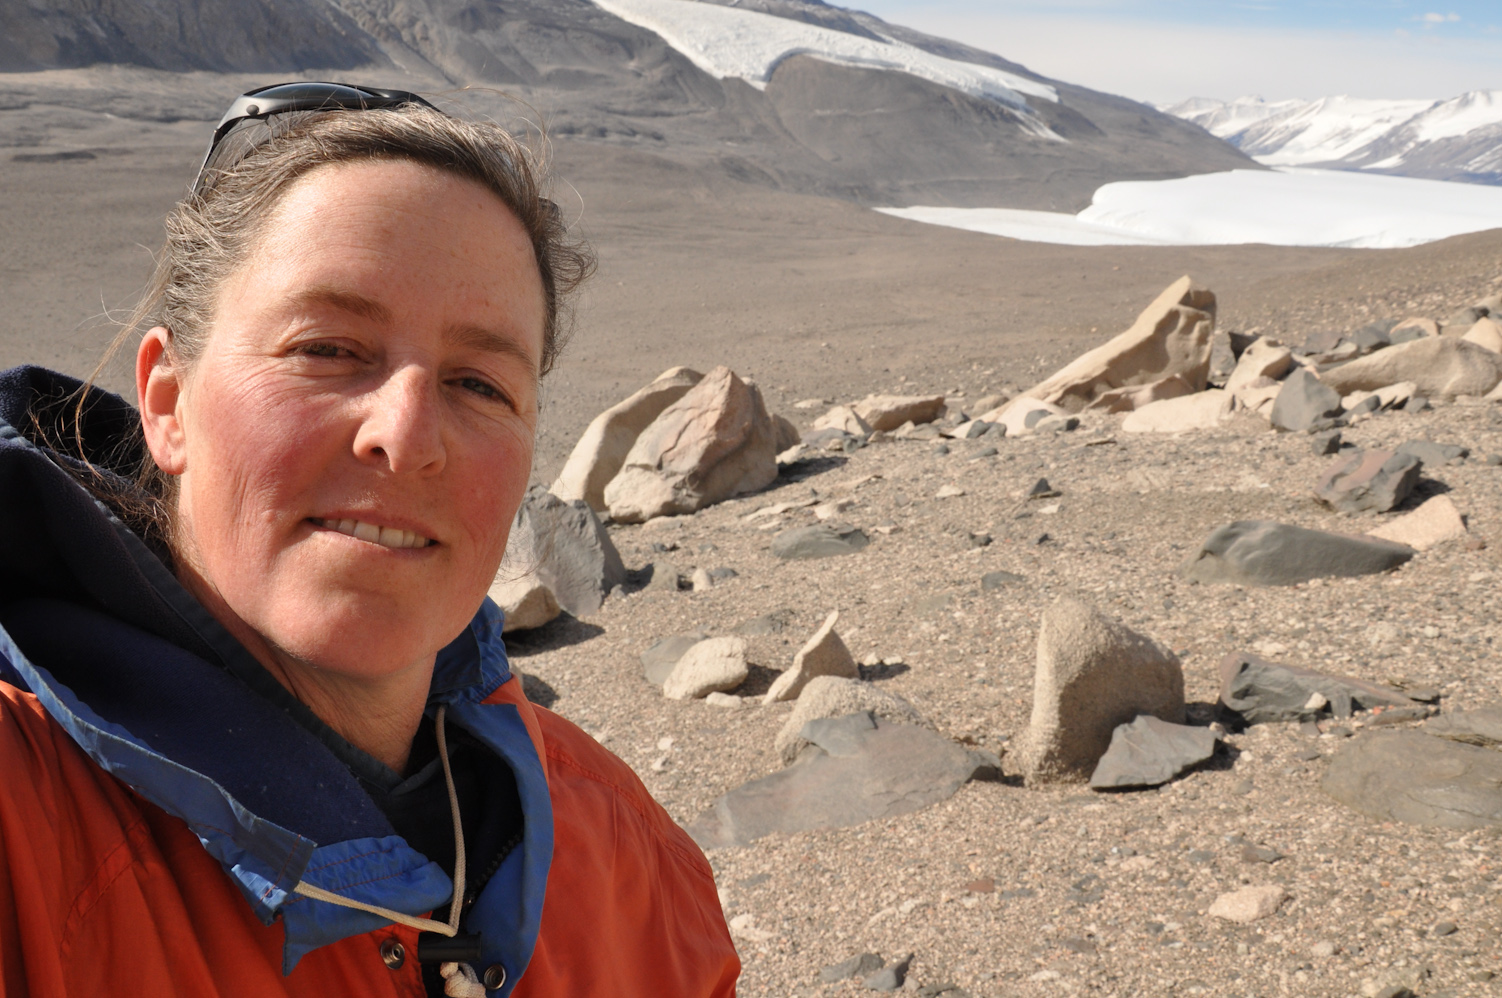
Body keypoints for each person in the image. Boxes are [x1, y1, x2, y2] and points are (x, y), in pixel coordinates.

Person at [0, 82, 739, 997]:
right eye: (329, 348)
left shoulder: (623, 856)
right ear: (167, 402)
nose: (409, 435)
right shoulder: (27, 827)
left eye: (478, 384)